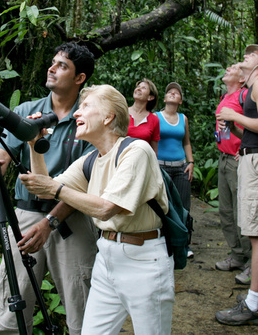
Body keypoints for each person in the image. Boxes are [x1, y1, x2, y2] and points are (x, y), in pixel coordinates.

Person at [20, 85, 175, 334]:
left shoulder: (136, 151)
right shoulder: (91, 159)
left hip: (144, 261)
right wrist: (34, 144)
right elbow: (43, 189)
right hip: (106, 257)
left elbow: (107, 209)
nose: (76, 114)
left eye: (85, 106)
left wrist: (54, 189)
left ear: (108, 117)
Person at [0, 43, 99, 334]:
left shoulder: (88, 118)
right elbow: (3, 159)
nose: (51, 69)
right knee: (11, 311)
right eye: (52, 62)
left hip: (72, 218)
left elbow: (87, 184)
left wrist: (50, 223)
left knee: (82, 308)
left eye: (62, 65)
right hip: (24, 217)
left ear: (80, 78)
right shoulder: (27, 111)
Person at [215, 44, 258, 326]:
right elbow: (257, 130)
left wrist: (234, 116)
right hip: (254, 160)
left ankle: (253, 303)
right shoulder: (257, 87)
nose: (246, 54)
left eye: (253, 54)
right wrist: (235, 128)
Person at [214, 65, 252, 285]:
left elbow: (254, 124)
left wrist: (244, 147)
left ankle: (250, 263)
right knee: (226, 210)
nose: (228, 68)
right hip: (223, 157)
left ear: (242, 78)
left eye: (234, 68)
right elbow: (225, 128)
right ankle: (237, 255)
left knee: (241, 211)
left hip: (238, 161)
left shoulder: (245, 95)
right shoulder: (225, 96)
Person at [156, 82, 194, 256]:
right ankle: (162, 242)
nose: (172, 93)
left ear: (180, 100)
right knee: (162, 205)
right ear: (164, 98)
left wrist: (191, 162)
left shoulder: (183, 118)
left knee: (183, 206)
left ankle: (184, 245)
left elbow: (186, 142)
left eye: (176, 93)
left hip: (181, 167)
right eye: (169, 92)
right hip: (160, 166)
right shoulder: (155, 117)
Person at [126, 78, 160, 152]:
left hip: (142, 162)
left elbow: (153, 151)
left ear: (150, 97)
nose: (138, 89)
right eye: (138, 87)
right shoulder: (122, 112)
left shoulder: (154, 120)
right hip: (119, 160)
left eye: (143, 88)